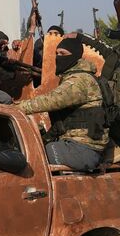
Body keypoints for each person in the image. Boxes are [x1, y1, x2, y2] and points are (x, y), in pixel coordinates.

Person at [17, 37, 109, 171]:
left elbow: (50, 101)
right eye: (57, 53)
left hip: (84, 149)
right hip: (76, 145)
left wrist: (15, 108)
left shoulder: (80, 80)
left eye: (63, 54)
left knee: (37, 155)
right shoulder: (74, 77)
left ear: (75, 56)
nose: (58, 57)